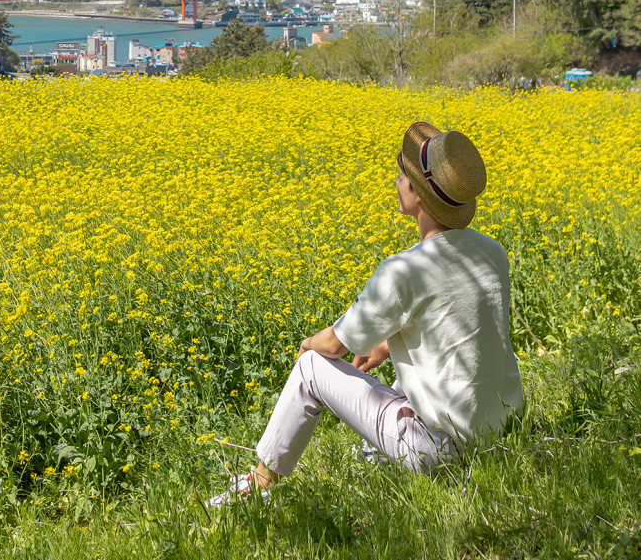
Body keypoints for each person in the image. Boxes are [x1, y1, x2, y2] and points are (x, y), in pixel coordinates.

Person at [208, 121, 524, 504]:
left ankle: (258, 486)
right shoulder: (493, 252)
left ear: (418, 194)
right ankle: (379, 461)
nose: (396, 180)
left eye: (403, 175)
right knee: (398, 379)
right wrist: (385, 346)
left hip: (440, 453)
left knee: (310, 367)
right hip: (502, 429)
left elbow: (334, 346)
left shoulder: (405, 270)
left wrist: (306, 344)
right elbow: (454, 322)